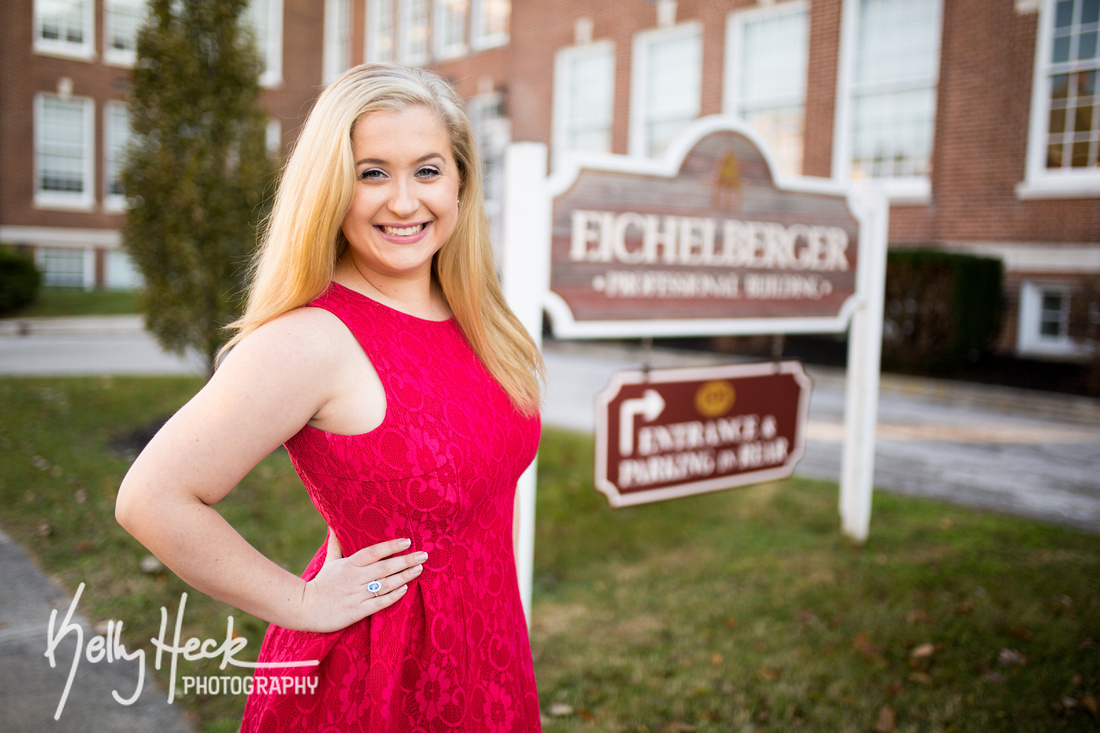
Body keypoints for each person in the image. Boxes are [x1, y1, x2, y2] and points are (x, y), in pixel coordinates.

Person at [115, 63, 544, 731]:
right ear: (333, 188)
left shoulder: (476, 319)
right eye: (372, 173)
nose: (404, 202)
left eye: (427, 170)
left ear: (460, 180)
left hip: (486, 660)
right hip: (375, 679)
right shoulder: (312, 339)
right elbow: (152, 498)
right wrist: (301, 600)